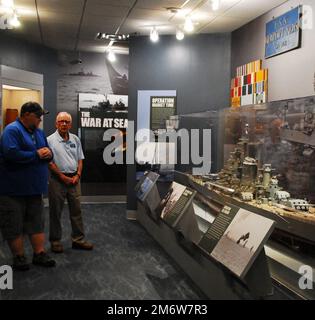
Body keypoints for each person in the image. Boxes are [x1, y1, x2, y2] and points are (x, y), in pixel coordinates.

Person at [0, 102, 56, 271]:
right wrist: (36, 154)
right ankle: (19, 257)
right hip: (13, 190)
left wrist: (49, 153)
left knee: (36, 223)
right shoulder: (12, 130)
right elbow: (11, 153)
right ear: (26, 114)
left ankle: (39, 254)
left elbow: (47, 151)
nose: (40, 119)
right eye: (37, 115)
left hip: (34, 189)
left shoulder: (39, 132)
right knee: (14, 224)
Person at [47, 112, 93, 253]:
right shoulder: (49, 140)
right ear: (56, 123)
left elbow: (80, 159)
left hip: (74, 180)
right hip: (57, 181)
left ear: (70, 124)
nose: (64, 124)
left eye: (67, 122)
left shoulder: (75, 139)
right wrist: (62, 176)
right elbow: (49, 162)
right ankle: (55, 241)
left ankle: (78, 240)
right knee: (55, 212)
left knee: (76, 211)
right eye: (61, 121)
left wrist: (78, 175)